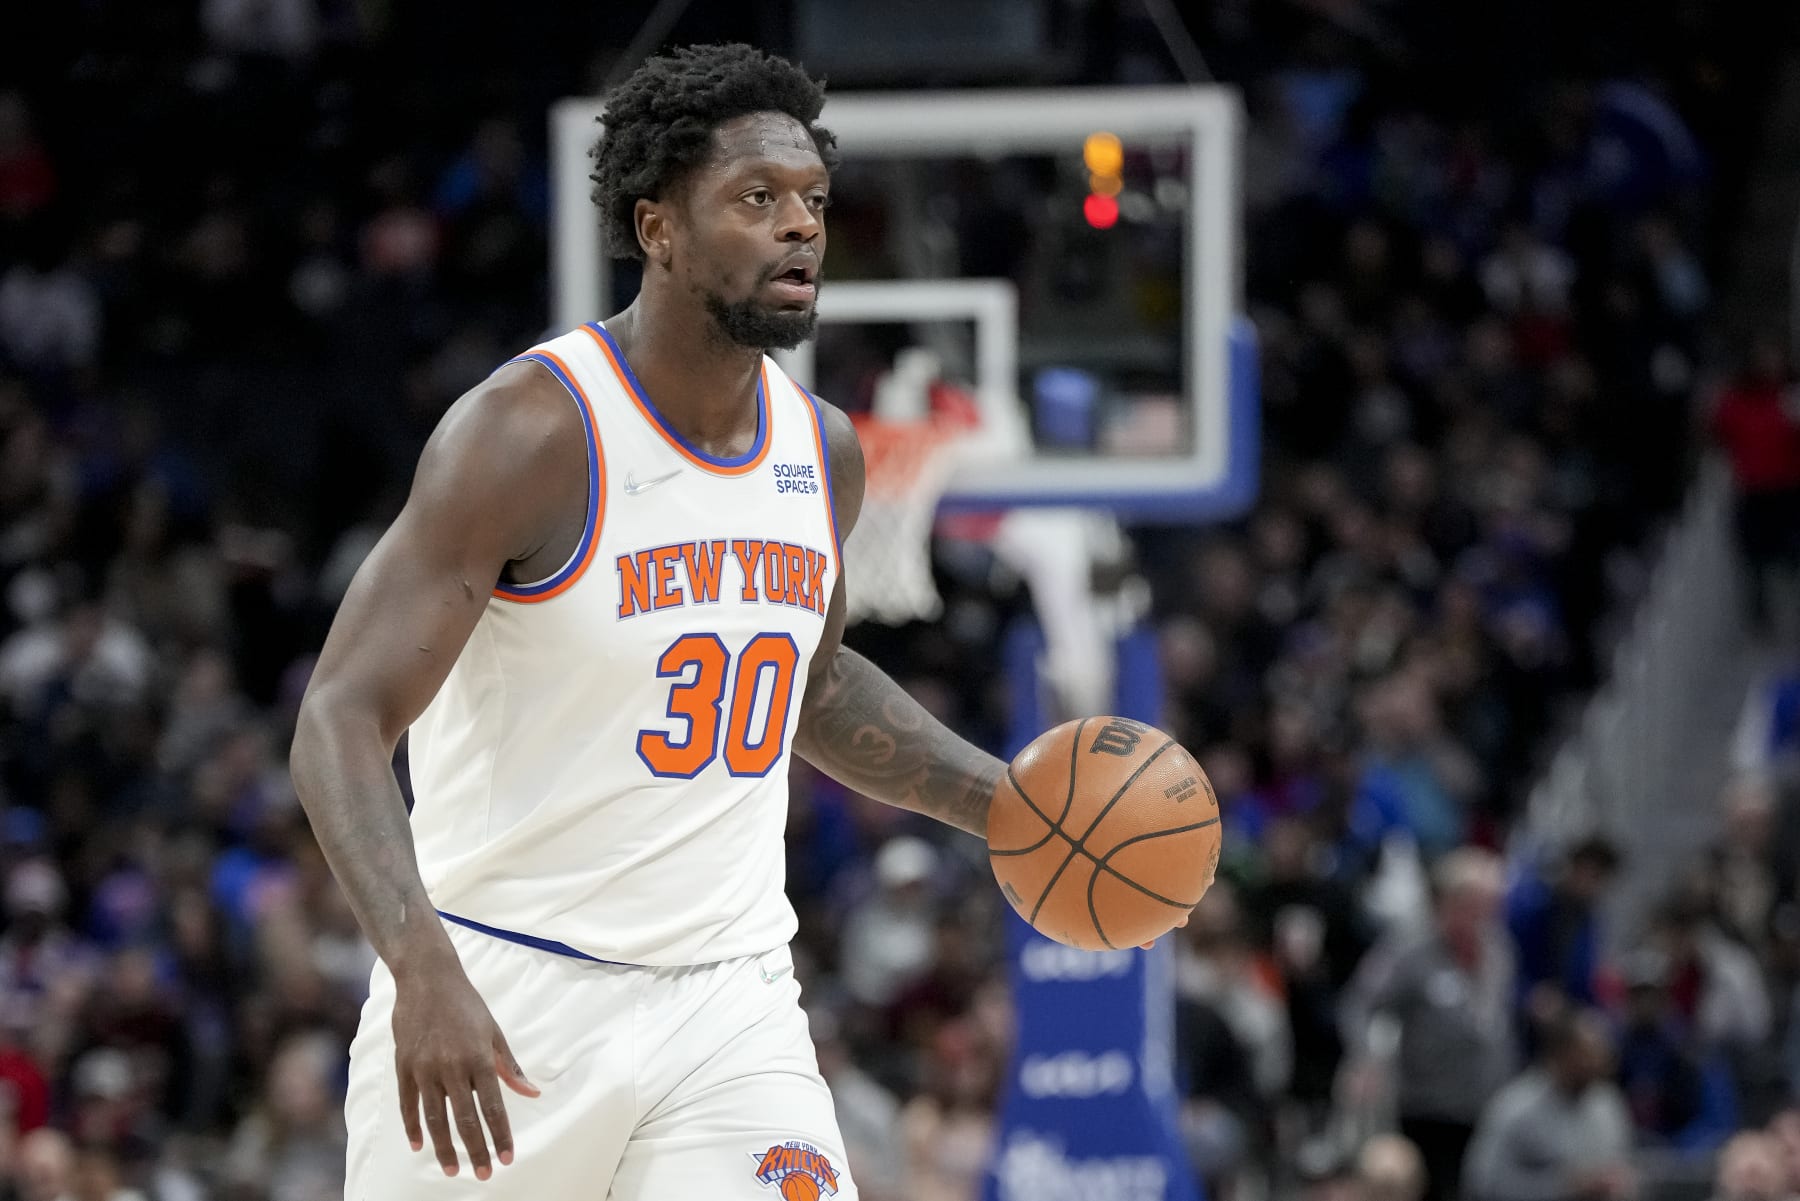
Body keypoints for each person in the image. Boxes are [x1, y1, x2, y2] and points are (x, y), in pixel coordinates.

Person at [289, 43, 1062, 1199]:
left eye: (812, 203)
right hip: (505, 989)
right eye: (757, 201)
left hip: (729, 1002)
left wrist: (1007, 806)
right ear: (658, 229)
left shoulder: (823, 450)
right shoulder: (528, 434)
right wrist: (418, 963)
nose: (800, 228)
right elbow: (342, 716)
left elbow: (814, 682)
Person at [1343, 847, 1517, 1201]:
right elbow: (1360, 1002)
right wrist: (1364, 1059)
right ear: (1448, 903)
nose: (1483, 916)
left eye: (1490, 906)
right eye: (1474, 905)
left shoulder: (1499, 951)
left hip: (1485, 1101)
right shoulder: (1411, 950)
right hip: (1428, 1105)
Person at [1463, 1011, 1635, 1201]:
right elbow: (1482, 1182)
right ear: (1560, 1054)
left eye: (1601, 1052)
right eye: (1589, 1053)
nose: (1600, 1062)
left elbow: (1624, 1168)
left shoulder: (1607, 1103)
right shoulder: (1515, 1108)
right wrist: (1562, 1186)